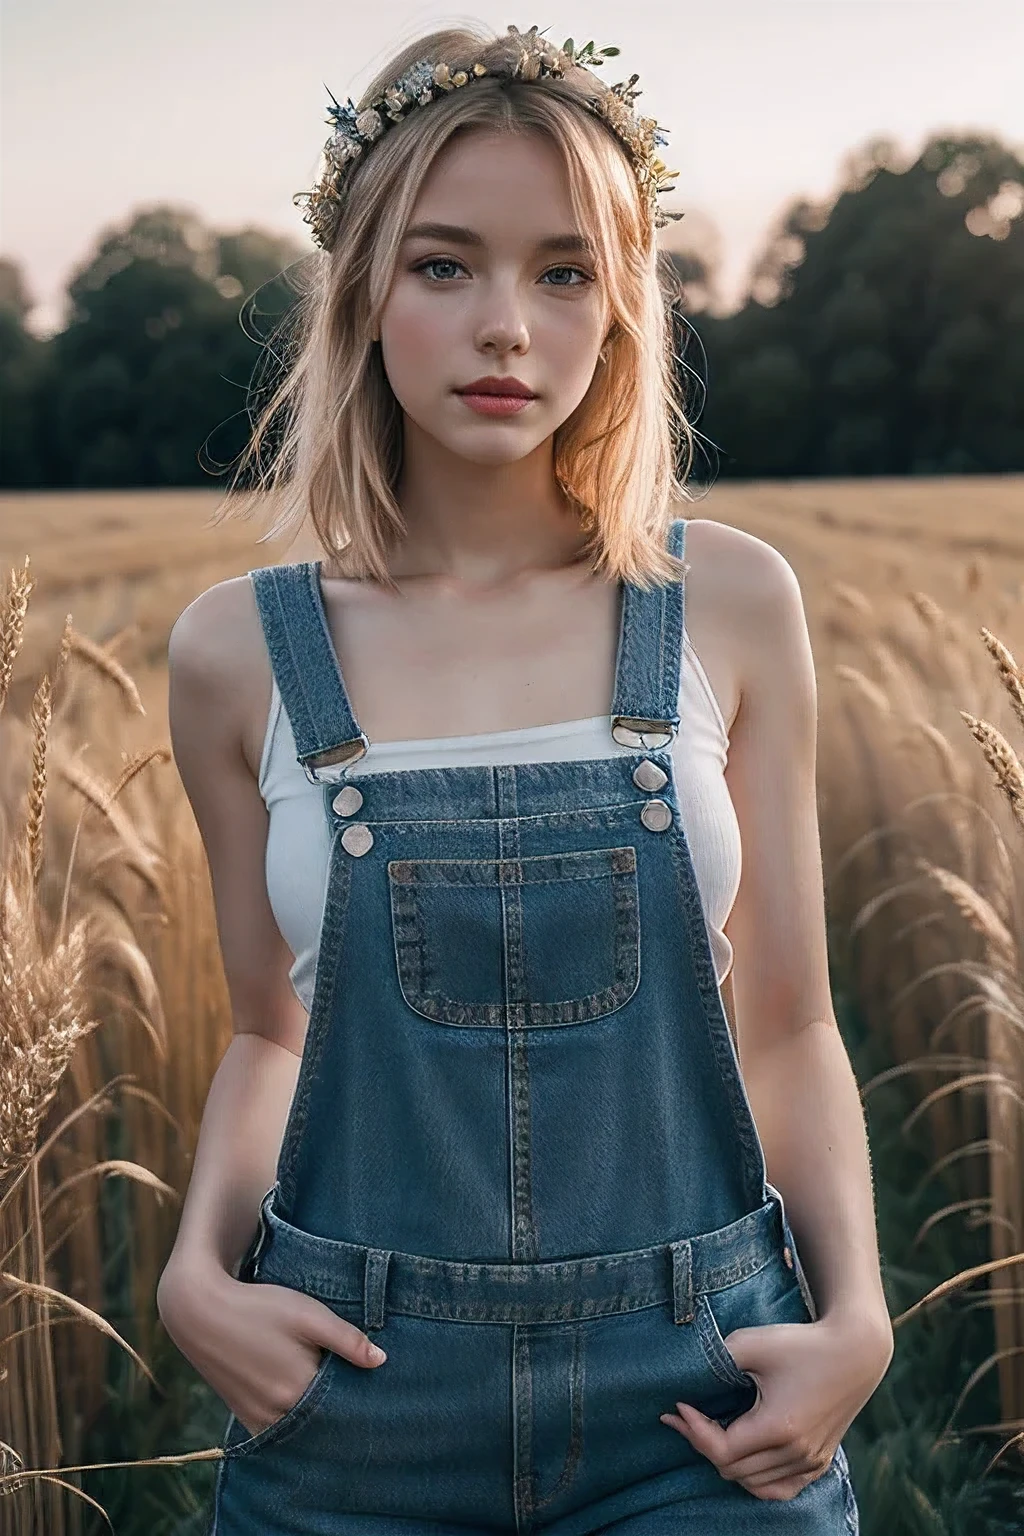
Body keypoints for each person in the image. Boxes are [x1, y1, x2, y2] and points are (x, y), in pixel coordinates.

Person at [157, 21, 892, 1535]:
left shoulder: (729, 605)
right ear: (362, 291)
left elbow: (793, 1019)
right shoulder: (240, 654)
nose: (509, 326)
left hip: (700, 1390)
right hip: (354, 1393)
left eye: (564, 272)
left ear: (622, 307)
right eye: (445, 265)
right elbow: (264, 1033)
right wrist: (191, 1278)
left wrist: (860, 1322)